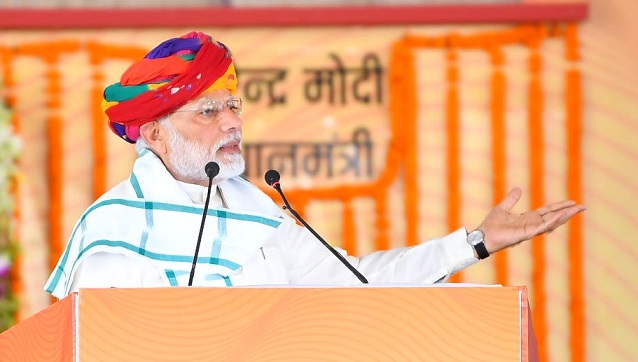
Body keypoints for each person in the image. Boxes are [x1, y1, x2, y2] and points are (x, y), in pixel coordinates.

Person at [45, 31, 584, 299]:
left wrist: (475, 242)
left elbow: (358, 284)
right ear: (155, 131)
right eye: (208, 110)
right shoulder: (113, 227)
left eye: (234, 105)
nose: (231, 123)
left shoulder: (261, 213)